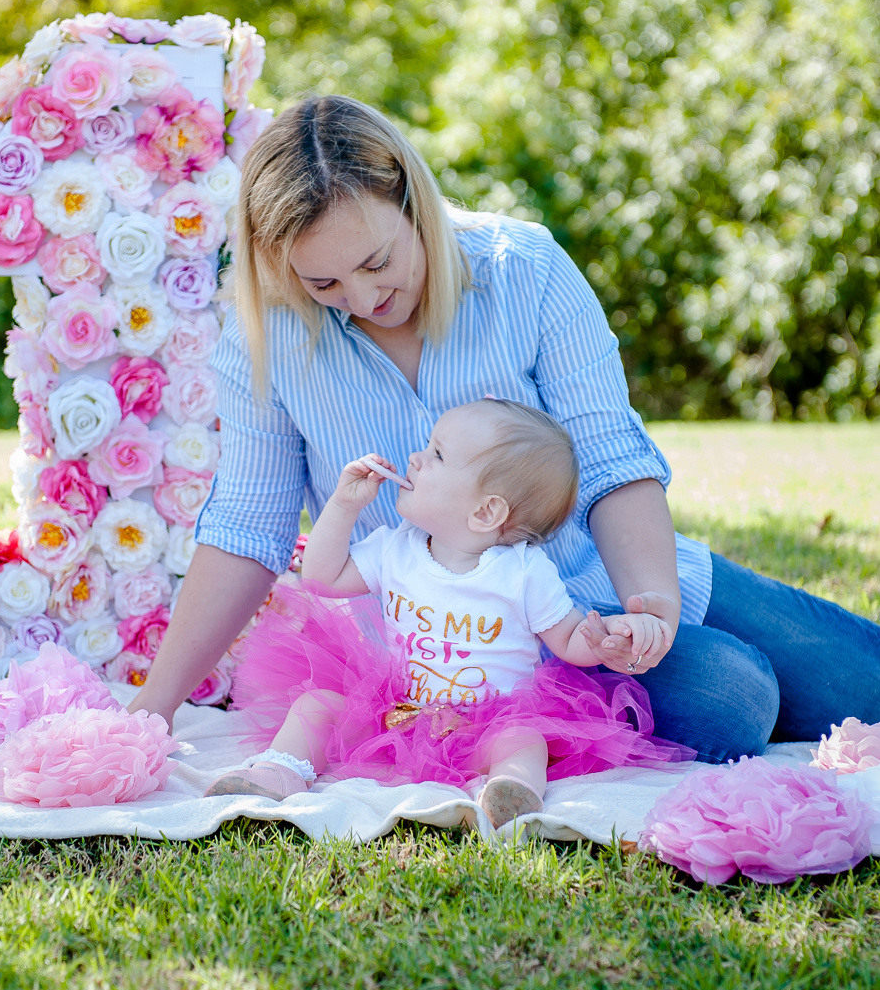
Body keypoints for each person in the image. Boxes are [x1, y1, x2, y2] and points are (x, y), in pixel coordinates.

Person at [129, 95, 880, 761]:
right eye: (323, 283)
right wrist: (151, 711)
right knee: (732, 699)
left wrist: (652, 604)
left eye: (377, 261)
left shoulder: (527, 270)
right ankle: (735, 679)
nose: (361, 297)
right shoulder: (270, 341)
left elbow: (612, 458)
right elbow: (245, 529)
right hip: (465, 650)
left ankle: (734, 660)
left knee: (861, 680)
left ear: (411, 199)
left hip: (597, 575)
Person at [206, 399, 691, 824]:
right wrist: (342, 505)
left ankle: (511, 790)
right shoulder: (395, 549)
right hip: (395, 714)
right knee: (316, 706)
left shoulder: (523, 572)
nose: (416, 458)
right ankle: (279, 771)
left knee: (525, 740)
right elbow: (321, 577)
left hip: (486, 722)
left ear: (486, 512)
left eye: (437, 454)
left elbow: (567, 641)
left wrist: (608, 637)